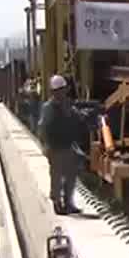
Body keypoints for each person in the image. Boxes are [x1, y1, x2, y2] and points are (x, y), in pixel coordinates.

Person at [38, 74, 86, 214]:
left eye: (63, 89)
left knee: (71, 175)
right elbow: (42, 128)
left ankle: (68, 203)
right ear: (53, 92)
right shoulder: (48, 108)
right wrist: (45, 146)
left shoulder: (68, 105)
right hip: (55, 147)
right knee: (57, 177)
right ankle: (57, 203)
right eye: (58, 90)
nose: (61, 93)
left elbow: (76, 118)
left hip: (68, 145)